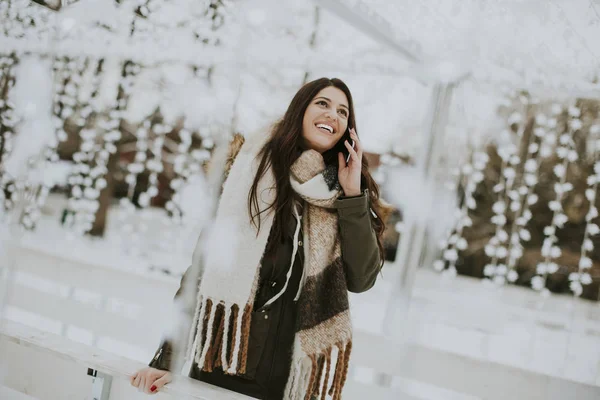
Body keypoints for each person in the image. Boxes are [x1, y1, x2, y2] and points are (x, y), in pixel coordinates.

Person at [130, 77, 386, 399]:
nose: (332, 115)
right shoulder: (249, 174)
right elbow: (202, 270)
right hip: (225, 364)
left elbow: (361, 279)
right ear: (301, 110)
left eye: (343, 111)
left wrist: (351, 195)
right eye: (322, 103)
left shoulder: (344, 196)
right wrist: (165, 358)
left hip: (288, 380)